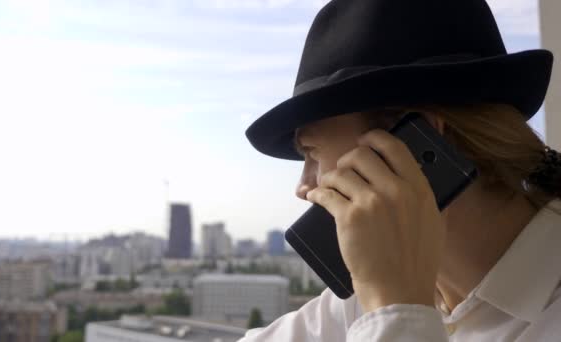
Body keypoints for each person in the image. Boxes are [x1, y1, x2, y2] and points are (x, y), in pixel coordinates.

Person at [240, 0, 560, 340]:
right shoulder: (360, 300)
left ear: (410, 145)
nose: (303, 186)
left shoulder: (382, 293)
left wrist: (394, 310)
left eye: (312, 152)